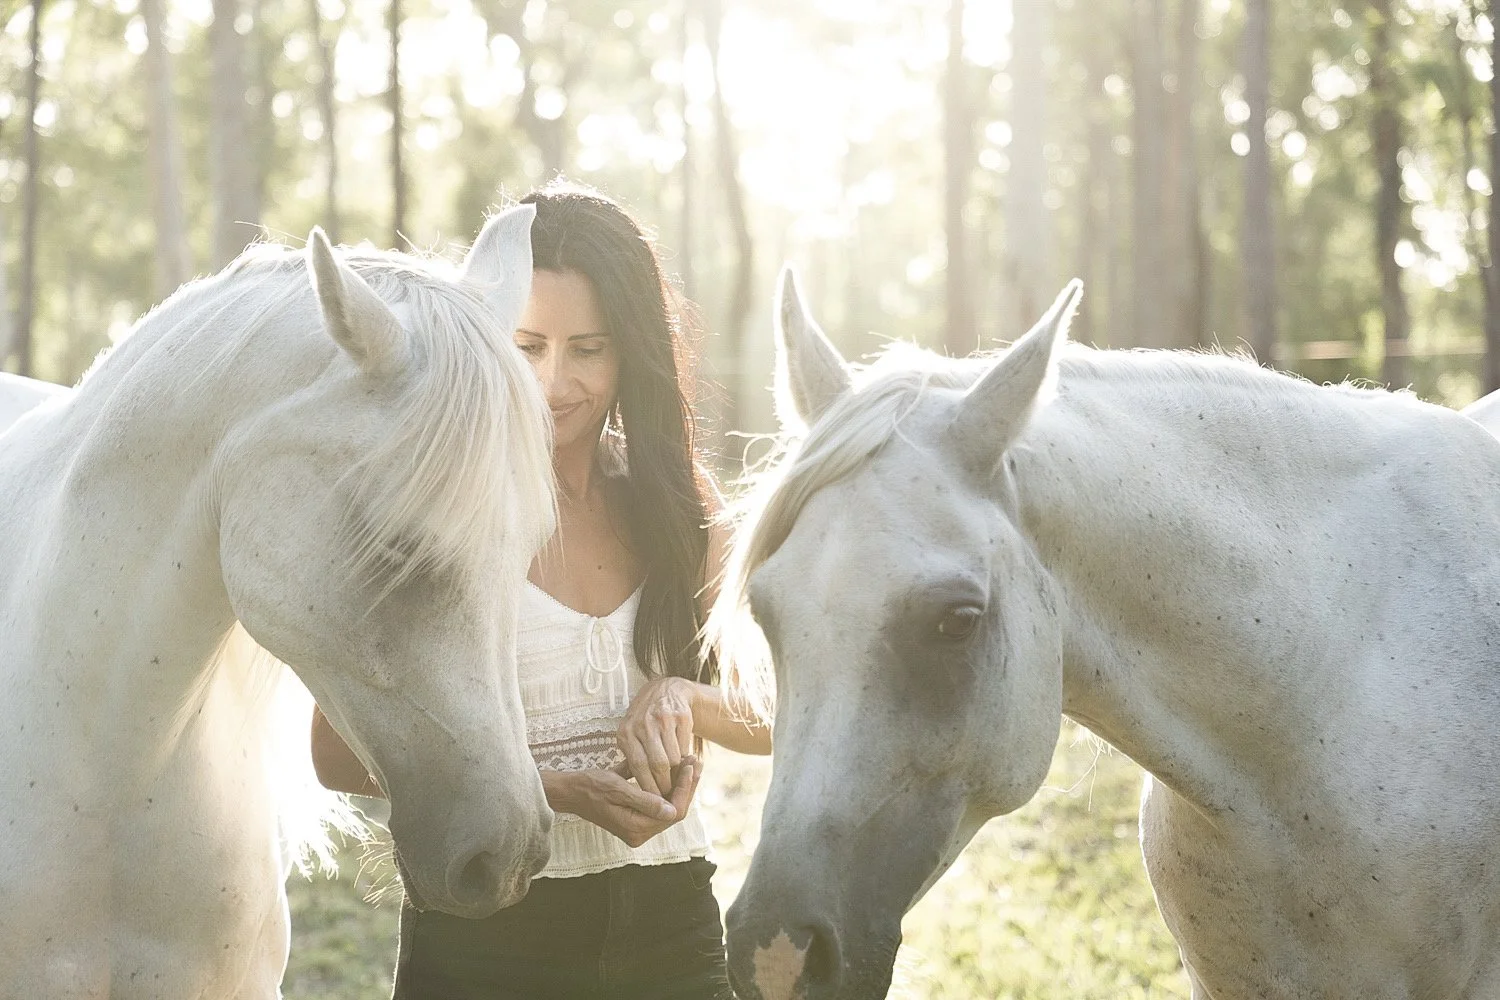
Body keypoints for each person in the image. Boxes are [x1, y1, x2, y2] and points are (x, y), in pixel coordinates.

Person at [309, 180, 771, 1000]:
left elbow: (772, 715)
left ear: (634, 351)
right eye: (527, 346)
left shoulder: (679, 502)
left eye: (588, 349)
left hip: (673, 922)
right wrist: (541, 792)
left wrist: (683, 700)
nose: (555, 384)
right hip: (488, 930)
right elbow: (335, 750)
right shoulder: (429, 504)